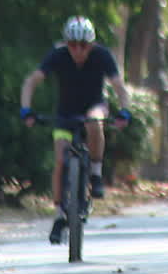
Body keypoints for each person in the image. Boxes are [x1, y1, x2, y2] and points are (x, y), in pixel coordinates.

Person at [20, 16, 132, 245]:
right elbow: (31, 81)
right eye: (72, 45)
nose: (78, 50)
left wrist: (125, 112)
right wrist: (26, 110)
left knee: (94, 121)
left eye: (84, 46)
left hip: (95, 106)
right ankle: (60, 215)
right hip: (65, 113)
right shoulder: (57, 55)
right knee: (61, 160)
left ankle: (96, 173)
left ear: (91, 45)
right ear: (66, 43)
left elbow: (119, 87)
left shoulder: (102, 55)